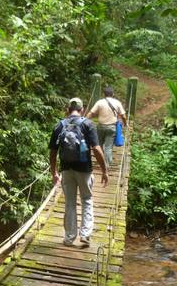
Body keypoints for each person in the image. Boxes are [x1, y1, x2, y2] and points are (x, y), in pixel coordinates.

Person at [49, 98, 108, 247]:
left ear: (67, 109)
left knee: (69, 203)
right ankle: (85, 235)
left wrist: (54, 172)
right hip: (84, 170)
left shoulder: (59, 126)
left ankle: (69, 238)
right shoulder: (88, 124)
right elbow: (96, 149)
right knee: (87, 200)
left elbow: (53, 152)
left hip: (66, 170)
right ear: (82, 110)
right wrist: (104, 170)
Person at [86, 86, 127, 167]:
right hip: (112, 128)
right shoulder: (117, 102)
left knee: (99, 146)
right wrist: (125, 124)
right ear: (113, 94)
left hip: (100, 127)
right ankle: (106, 165)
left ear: (104, 94)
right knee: (108, 148)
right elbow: (124, 116)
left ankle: (100, 162)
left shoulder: (99, 102)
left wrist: (83, 120)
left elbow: (91, 113)